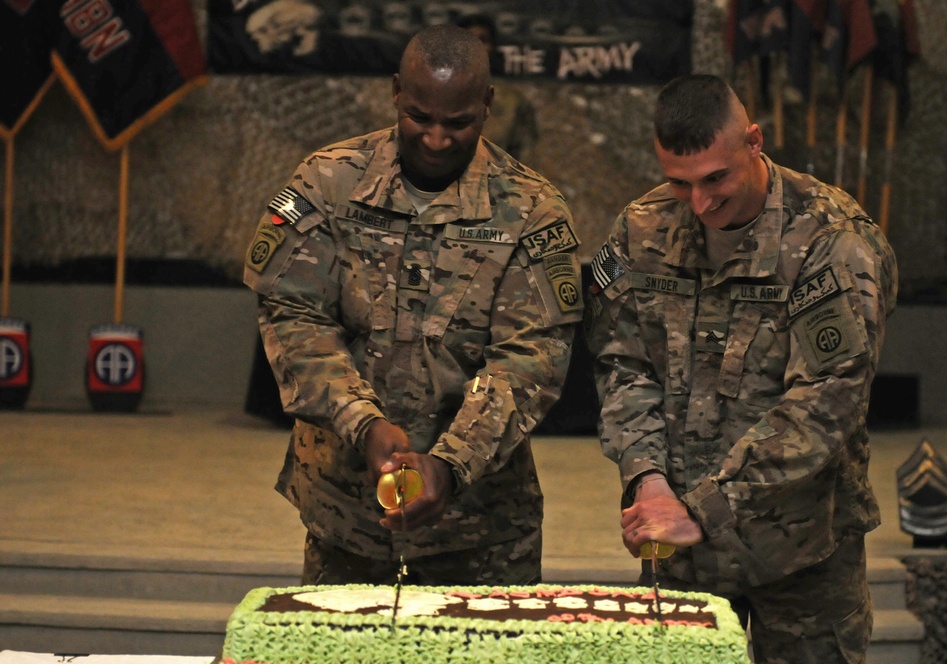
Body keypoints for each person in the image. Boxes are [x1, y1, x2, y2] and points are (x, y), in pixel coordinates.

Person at [243, 24, 583, 586]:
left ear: (489, 104)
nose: (436, 138)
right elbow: (294, 316)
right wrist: (363, 423)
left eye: (458, 122)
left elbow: (531, 358)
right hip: (345, 514)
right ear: (396, 90)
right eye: (420, 117)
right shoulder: (329, 181)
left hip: (482, 529)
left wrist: (450, 465)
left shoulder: (532, 209)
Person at [585, 74, 897, 662]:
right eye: (680, 183)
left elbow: (826, 401)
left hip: (803, 553)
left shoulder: (833, 240)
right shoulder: (642, 230)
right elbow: (623, 365)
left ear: (754, 141)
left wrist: (705, 508)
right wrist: (646, 477)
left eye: (715, 179)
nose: (700, 204)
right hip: (681, 552)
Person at [456, 13, 539, 165]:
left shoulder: (513, 103)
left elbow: (526, 160)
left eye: (483, 40)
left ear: (493, 47)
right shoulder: (434, 96)